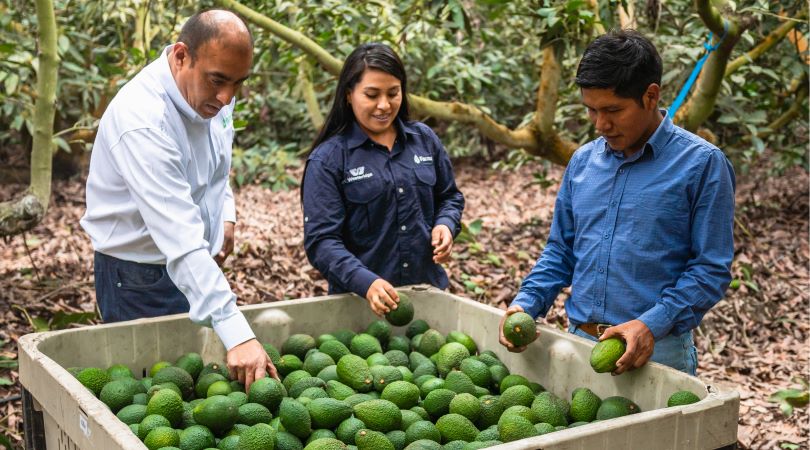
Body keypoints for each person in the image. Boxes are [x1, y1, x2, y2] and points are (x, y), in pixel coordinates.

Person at [498, 30, 735, 376]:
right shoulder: (582, 163)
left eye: (613, 110)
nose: (601, 124)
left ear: (650, 96)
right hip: (578, 343)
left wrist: (652, 324)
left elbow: (710, 268)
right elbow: (561, 250)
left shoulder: (702, 165)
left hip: (657, 353)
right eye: (591, 110)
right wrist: (526, 303)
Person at [80, 9, 277, 389]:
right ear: (182, 55)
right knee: (153, 394)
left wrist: (226, 214)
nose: (227, 97)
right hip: (140, 277)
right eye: (218, 81)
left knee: (198, 389)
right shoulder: (143, 120)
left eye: (238, 83)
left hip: (196, 264)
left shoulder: (215, 94)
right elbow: (179, 238)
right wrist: (238, 332)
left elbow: (216, 166)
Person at [302, 43, 465, 316]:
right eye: (371, 94)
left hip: (428, 297)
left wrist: (446, 225)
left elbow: (449, 196)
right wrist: (367, 283)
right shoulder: (329, 159)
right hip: (359, 307)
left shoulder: (424, 139)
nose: (384, 105)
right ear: (348, 95)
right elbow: (321, 242)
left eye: (393, 93)